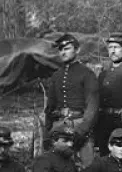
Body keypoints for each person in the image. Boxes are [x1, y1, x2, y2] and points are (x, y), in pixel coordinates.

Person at [43, 33, 100, 163]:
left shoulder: (87, 74)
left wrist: (82, 131)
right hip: (59, 125)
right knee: (56, 165)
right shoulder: (56, 76)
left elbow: (92, 106)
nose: (63, 52)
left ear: (77, 50)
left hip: (80, 124)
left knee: (87, 167)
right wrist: (48, 130)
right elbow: (50, 106)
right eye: (61, 49)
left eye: (67, 48)